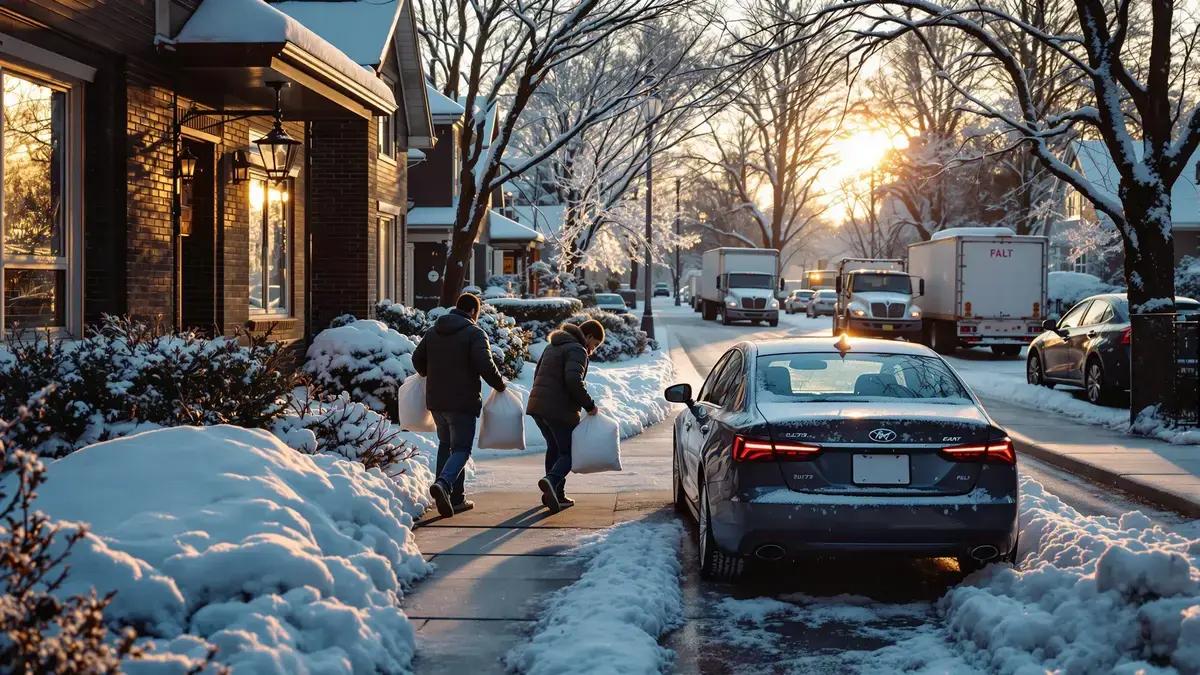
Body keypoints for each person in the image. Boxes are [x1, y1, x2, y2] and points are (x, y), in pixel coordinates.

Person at [411, 293, 507, 518]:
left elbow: (417, 359)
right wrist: (499, 384)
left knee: (447, 445)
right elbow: (485, 364)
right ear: (474, 311)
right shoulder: (475, 333)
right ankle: (444, 484)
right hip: (462, 401)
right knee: (462, 448)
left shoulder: (434, 331)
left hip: (436, 400)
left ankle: (455, 498)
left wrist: (428, 372)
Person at [526, 319, 606, 513]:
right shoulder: (577, 349)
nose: (592, 350)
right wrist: (589, 405)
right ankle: (552, 483)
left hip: (538, 406)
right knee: (570, 452)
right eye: (594, 344)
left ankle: (554, 495)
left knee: (554, 448)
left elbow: (537, 374)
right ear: (587, 337)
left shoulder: (552, 346)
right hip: (558, 408)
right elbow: (573, 379)